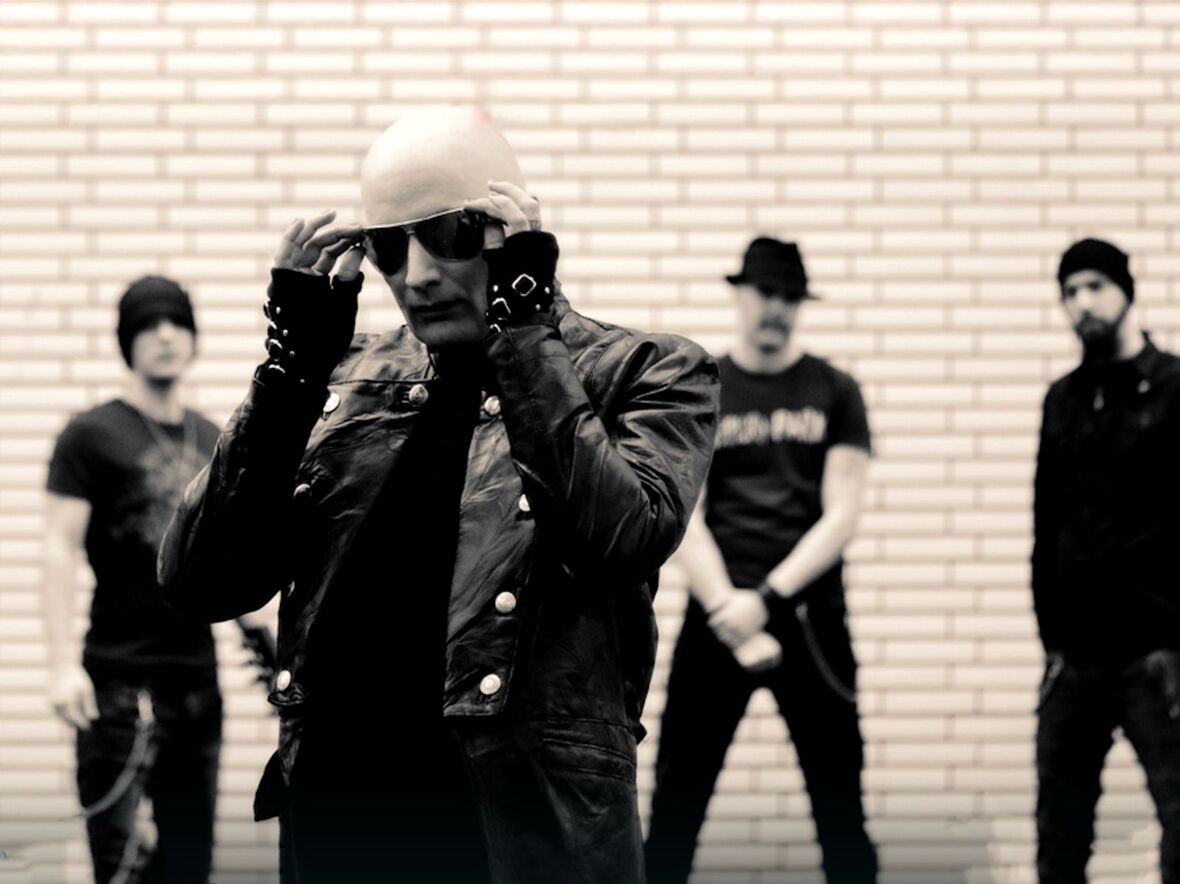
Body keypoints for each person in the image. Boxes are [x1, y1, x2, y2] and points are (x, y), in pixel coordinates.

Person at [157, 104, 719, 883]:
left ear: (511, 229)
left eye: (450, 235)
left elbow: (616, 541)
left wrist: (525, 335)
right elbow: (200, 581)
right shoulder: (343, 378)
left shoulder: (646, 371)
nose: (417, 276)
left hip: (521, 842)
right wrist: (288, 378)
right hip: (338, 829)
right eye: (389, 247)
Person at [645, 237, 879, 884]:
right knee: (675, 812)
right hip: (718, 617)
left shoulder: (835, 390)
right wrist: (728, 607)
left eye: (789, 297)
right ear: (741, 295)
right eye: (765, 292)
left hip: (808, 620)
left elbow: (841, 517)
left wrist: (766, 602)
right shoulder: (704, 388)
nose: (776, 307)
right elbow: (684, 511)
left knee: (841, 813)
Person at [44, 277, 224, 884]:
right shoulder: (91, 434)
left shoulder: (214, 437)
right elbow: (59, 547)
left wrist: (268, 636)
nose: (165, 335)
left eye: (177, 322)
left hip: (195, 681)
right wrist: (60, 665)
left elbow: (226, 559)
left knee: (189, 864)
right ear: (127, 341)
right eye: (148, 324)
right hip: (118, 681)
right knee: (118, 865)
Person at [1032, 238, 1180, 884]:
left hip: (1156, 657)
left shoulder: (1173, 387)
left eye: (1094, 286)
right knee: (1059, 836)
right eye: (1069, 292)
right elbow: (1045, 524)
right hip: (1076, 658)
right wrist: (1052, 642)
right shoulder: (1062, 400)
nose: (1082, 303)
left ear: (1126, 291)